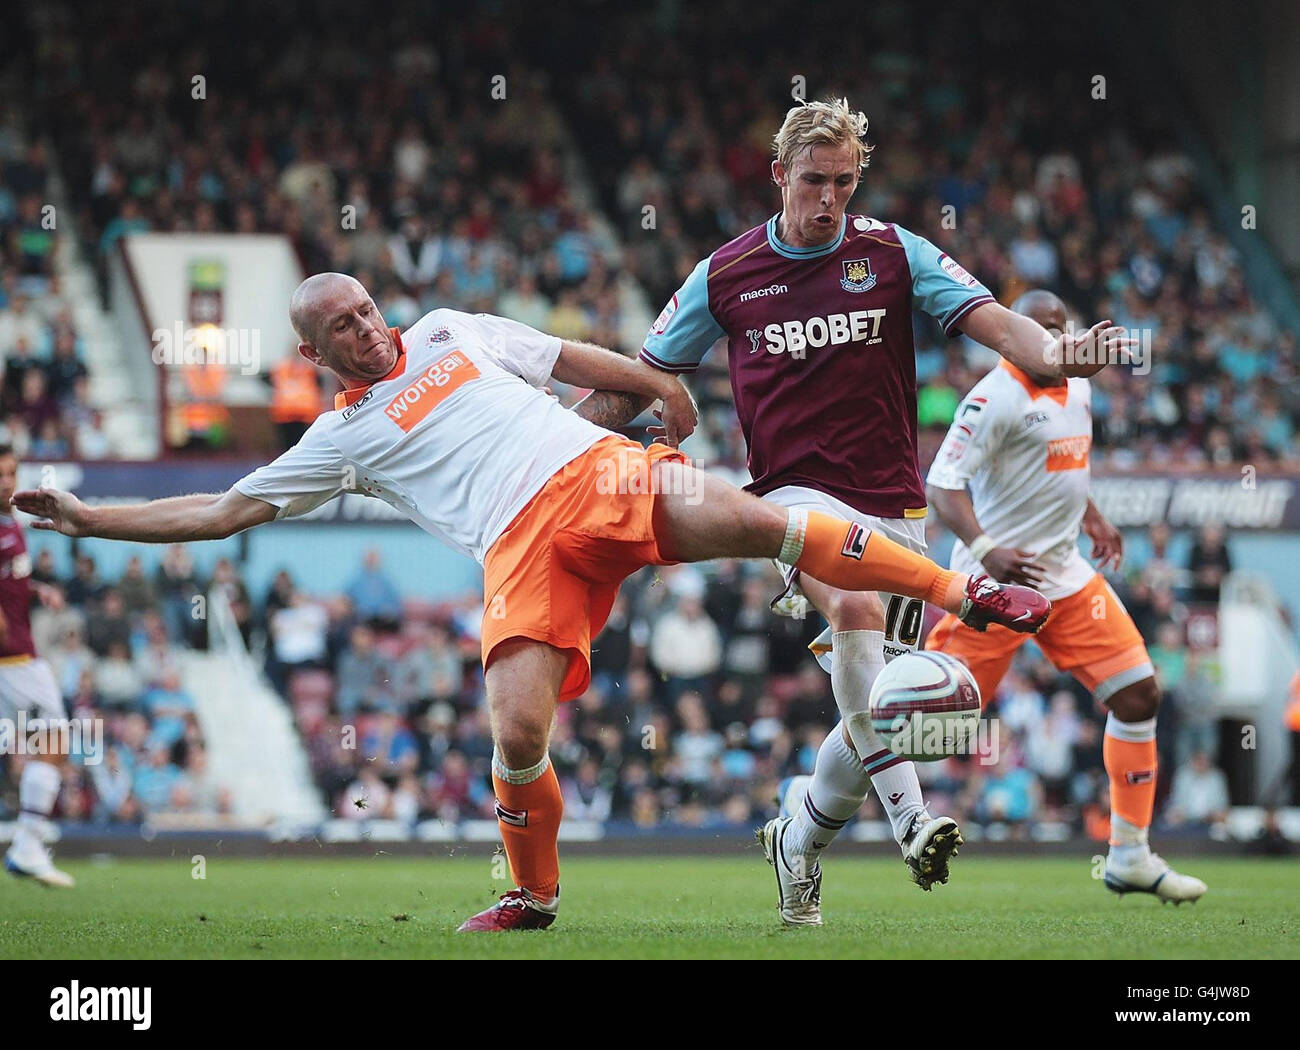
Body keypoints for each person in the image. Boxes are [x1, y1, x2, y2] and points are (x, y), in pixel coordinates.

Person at [15, 272, 1049, 932]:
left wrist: (659, 391)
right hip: (517, 548)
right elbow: (221, 512)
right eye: (343, 327)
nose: (368, 331)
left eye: (367, 310)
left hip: (591, 471)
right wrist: (90, 517)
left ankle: (964, 587)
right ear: (313, 353)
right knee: (515, 734)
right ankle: (533, 895)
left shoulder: (449, 330)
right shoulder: (335, 440)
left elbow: (567, 361)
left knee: (757, 522)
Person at [580, 98, 1132, 924]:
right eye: (813, 181)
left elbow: (1000, 328)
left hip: (895, 504)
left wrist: (1060, 353)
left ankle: (797, 838)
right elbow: (642, 376)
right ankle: (912, 821)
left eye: (843, 182)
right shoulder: (725, 275)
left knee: (887, 699)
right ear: (779, 177)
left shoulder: (894, 252)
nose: (828, 198)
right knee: (854, 604)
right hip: (792, 497)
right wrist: (551, 439)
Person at [924, 289, 1205, 902]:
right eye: (1040, 329)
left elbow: (1061, 464)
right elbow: (943, 487)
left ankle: (1130, 854)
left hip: (1066, 576)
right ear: (1016, 331)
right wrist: (987, 545)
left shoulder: (1078, 384)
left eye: (1061, 329)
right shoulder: (991, 398)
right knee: (926, 730)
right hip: (995, 584)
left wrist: (1094, 516)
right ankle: (810, 808)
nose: (1054, 341)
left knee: (1138, 695)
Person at [0, 445, 75, 887]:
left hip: (17, 657)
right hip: (15, 659)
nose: (6, 481)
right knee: (55, 739)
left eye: (11, 472)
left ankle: (28, 845)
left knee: (45, 741)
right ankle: (28, 845)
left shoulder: (11, 522)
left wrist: (36, 589)